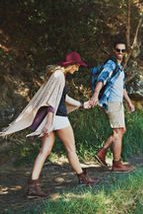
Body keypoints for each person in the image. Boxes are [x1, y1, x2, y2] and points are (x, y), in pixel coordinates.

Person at [1, 52, 98, 198]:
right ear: (71, 64)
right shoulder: (59, 76)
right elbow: (51, 101)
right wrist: (50, 123)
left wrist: (82, 105)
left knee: (44, 151)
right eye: (77, 66)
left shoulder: (58, 75)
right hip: (58, 117)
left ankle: (33, 186)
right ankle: (83, 178)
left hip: (53, 118)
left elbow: (61, 97)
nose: (77, 69)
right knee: (71, 149)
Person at [89, 39, 135, 172]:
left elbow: (122, 87)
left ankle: (102, 152)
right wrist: (95, 94)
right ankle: (117, 163)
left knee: (122, 130)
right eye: (118, 50)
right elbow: (102, 79)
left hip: (118, 103)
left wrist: (129, 102)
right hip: (112, 102)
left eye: (123, 50)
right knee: (118, 132)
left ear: (125, 52)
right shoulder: (111, 64)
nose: (120, 52)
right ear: (114, 51)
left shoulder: (120, 68)